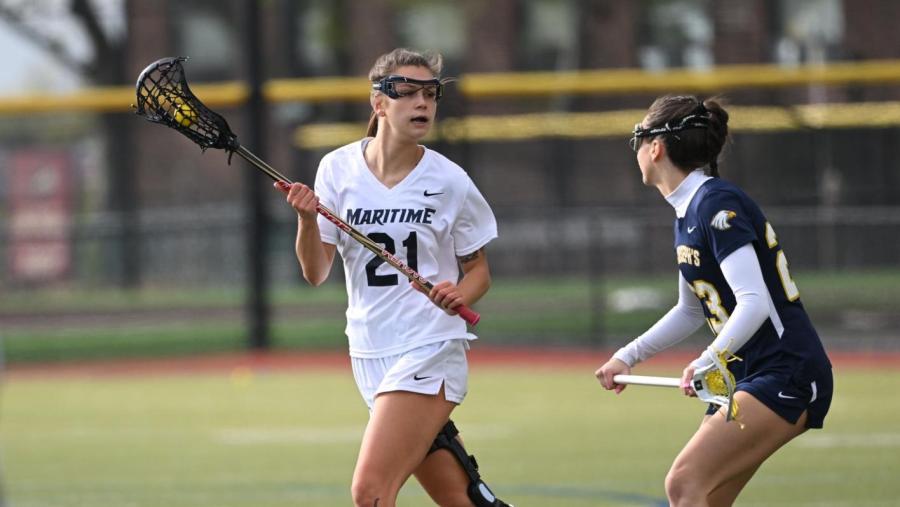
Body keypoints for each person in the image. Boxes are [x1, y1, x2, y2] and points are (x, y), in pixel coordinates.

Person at [276, 48, 512, 507]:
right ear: (379, 104)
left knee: (369, 492)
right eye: (408, 92)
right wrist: (306, 221)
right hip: (369, 351)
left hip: (430, 347)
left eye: (430, 94)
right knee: (463, 501)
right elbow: (315, 272)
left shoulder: (451, 180)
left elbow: (478, 271)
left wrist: (456, 293)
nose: (422, 102)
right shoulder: (336, 169)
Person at [595, 95, 833, 507]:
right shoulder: (688, 211)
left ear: (656, 147)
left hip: (786, 369)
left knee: (684, 483)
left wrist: (708, 358)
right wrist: (626, 356)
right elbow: (690, 309)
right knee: (706, 496)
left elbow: (754, 301)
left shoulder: (715, 204)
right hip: (751, 375)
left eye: (639, 138)